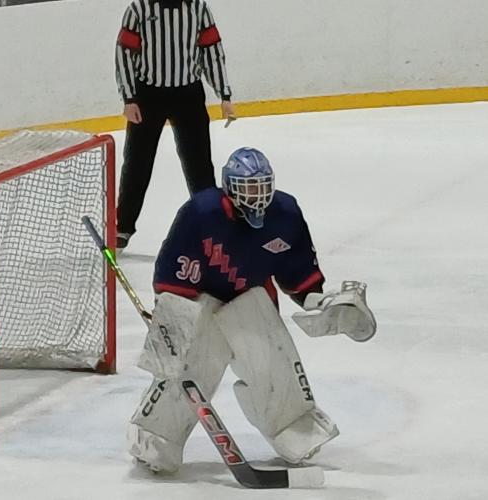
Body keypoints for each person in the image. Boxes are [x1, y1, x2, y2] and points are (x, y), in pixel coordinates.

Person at [128, 147, 377, 473]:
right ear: (229, 187)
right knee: (188, 369)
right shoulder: (201, 213)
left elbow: (299, 276)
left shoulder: (285, 214)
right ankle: (155, 439)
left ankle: (294, 432)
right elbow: (173, 272)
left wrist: (322, 304)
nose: (256, 196)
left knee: (273, 363)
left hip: (252, 300)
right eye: (247, 188)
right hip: (201, 300)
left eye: (262, 187)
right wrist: (171, 320)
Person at [115, 0, 235, 249]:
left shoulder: (198, 8)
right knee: (137, 164)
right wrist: (129, 98)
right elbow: (124, 53)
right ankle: (123, 226)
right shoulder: (139, 9)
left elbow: (212, 50)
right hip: (148, 96)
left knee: (199, 165)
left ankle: (210, 223)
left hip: (188, 95)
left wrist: (224, 94)